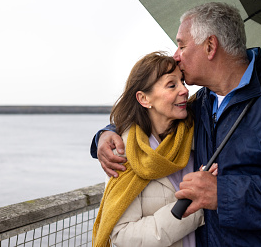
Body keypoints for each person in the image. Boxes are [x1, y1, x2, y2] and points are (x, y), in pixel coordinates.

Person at [91, 2, 261, 246]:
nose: (176, 56)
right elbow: (150, 116)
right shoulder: (200, 104)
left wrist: (224, 194)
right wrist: (105, 134)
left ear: (210, 46)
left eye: (182, 46)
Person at [92, 51, 217, 247]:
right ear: (144, 99)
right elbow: (122, 234)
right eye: (171, 85)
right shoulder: (124, 153)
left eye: (182, 81)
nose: (184, 90)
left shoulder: (197, 134)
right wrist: (193, 209)